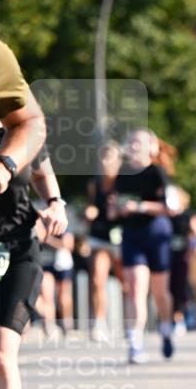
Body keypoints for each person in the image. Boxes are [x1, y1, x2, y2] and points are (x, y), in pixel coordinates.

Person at [0, 39, 63, 389]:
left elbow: (40, 161)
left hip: (18, 247)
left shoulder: (13, 132)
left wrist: (56, 203)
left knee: (2, 351)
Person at [110, 128, 175, 364]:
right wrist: (115, 209)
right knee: (136, 287)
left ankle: (166, 328)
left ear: (151, 147)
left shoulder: (157, 172)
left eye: (139, 142)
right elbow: (114, 208)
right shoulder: (121, 175)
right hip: (132, 234)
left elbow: (169, 207)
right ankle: (135, 343)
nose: (134, 146)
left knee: (160, 292)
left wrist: (140, 207)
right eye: (131, 142)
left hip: (157, 233)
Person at [84, 140, 122, 341]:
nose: (106, 161)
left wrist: (119, 210)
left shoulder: (124, 183)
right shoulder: (95, 184)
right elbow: (92, 207)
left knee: (128, 282)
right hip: (100, 238)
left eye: (110, 157)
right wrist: (90, 213)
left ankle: (133, 323)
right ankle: (99, 323)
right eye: (103, 157)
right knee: (98, 279)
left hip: (122, 238)